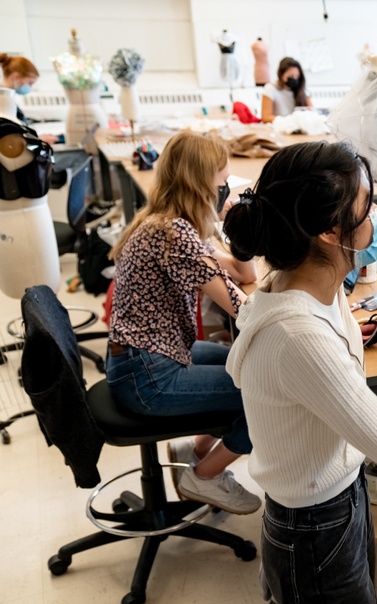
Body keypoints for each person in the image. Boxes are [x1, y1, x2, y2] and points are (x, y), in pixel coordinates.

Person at [222, 141, 377, 604]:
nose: (376, 214)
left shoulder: (303, 282)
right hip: (316, 527)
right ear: (330, 231)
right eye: (366, 206)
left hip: (333, 498)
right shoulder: (298, 334)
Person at [106, 131, 261, 515]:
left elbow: (243, 273)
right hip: (147, 377)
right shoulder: (174, 235)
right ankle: (204, 475)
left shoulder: (169, 222)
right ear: (200, 183)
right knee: (267, 391)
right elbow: (245, 309)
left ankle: (194, 448)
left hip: (146, 357)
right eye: (223, 182)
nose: (227, 189)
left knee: (237, 361)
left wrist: (235, 229)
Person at [0, 53, 58, 143]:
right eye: (30, 83)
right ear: (16, 77)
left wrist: (35, 138)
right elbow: (7, 136)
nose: (30, 87)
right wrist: (36, 140)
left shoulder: (9, 99)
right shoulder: (3, 101)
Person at [261, 57, 312, 123]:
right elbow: (265, 117)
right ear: (281, 74)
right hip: (280, 127)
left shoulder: (301, 89)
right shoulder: (270, 88)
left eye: (297, 76)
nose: (294, 79)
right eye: (291, 76)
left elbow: (311, 111)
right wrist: (288, 121)